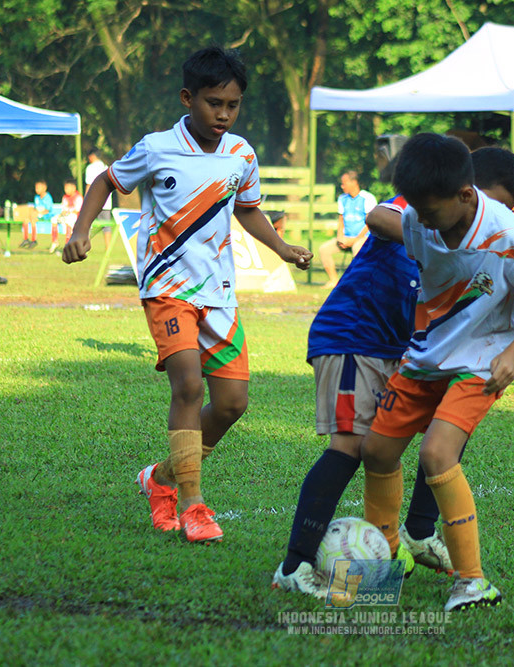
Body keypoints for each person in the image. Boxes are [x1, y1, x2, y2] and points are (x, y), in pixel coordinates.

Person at [62, 46, 312, 544]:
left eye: (233, 105)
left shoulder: (242, 155)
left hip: (220, 293)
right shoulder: (157, 148)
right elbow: (106, 182)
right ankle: (193, 504)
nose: (223, 114)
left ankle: (161, 478)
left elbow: (247, 209)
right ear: (187, 98)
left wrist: (282, 248)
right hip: (168, 289)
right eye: (214, 103)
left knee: (232, 404)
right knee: (189, 388)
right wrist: (80, 230)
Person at [271, 146, 514, 597]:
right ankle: (294, 566)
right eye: (494, 203)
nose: (496, 216)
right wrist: (434, 234)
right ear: (464, 190)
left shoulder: (486, 237)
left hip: (406, 350)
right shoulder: (428, 206)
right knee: (351, 446)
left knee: (445, 434)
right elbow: (377, 217)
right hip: (355, 336)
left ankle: (417, 532)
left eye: (507, 210)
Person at [359, 133, 514, 612]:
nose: (421, 220)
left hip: (481, 362)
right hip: (426, 354)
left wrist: (513, 355)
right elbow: (389, 224)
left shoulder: (507, 236)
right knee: (377, 451)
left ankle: (473, 582)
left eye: (430, 211)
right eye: (416, 210)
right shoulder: (418, 218)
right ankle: (385, 563)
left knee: (437, 453)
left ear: (466, 195)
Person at [319, 171, 376, 288]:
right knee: (324, 249)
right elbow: (341, 220)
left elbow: (370, 223)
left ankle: (357, 283)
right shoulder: (342, 198)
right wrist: (340, 237)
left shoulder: (367, 198)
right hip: (346, 237)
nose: (342, 186)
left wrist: (355, 240)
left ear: (354, 182)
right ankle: (334, 280)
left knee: (357, 248)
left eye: (344, 183)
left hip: (363, 238)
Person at [85, 149, 114, 248]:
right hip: (106, 201)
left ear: (92, 156)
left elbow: (89, 185)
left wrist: (86, 200)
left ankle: (84, 245)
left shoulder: (90, 168)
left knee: (87, 223)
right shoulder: (105, 167)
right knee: (107, 226)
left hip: (93, 201)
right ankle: (108, 248)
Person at [52, 178, 82, 253]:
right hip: (67, 216)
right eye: (65, 188)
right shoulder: (65, 197)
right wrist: (62, 214)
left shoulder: (78, 197)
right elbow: (64, 210)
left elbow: (77, 211)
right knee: (54, 219)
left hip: (76, 217)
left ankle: (67, 244)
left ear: (73, 188)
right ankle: (55, 241)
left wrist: (68, 213)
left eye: (67, 188)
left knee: (69, 220)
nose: (66, 190)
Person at [22, 180, 53, 249]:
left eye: (38, 188)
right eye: (36, 188)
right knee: (26, 219)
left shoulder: (48, 197)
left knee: (33, 219)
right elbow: (35, 208)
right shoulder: (36, 197)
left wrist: (38, 213)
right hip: (37, 214)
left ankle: (34, 240)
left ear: (44, 188)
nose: (36, 189)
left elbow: (47, 210)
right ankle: (26, 239)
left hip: (46, 215)